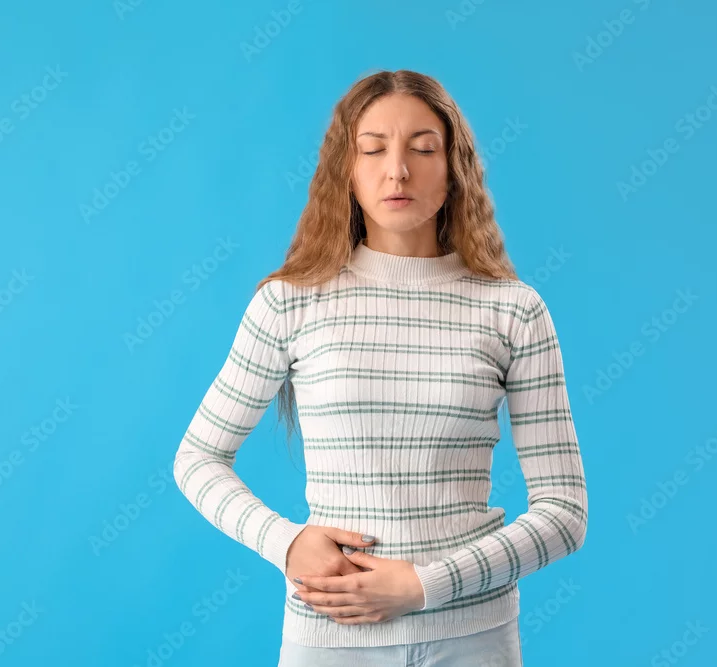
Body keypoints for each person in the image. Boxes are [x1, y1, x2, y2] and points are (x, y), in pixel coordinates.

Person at [172, 69, 588, 666]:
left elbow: (565, 513)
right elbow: (197, 458)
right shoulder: (289, 303)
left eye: (423, 149)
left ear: (455, 169)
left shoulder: (513, 311)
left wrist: (424, 585)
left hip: (473, 640)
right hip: (331, 638)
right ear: (346, 168)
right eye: (373, 149)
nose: (398, 170)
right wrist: (286, 543)